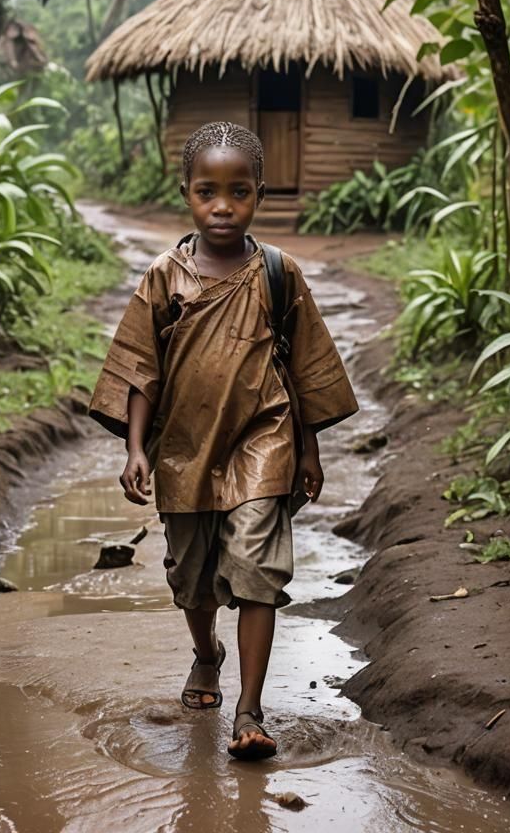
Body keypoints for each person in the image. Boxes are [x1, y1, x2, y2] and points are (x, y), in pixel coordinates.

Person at [87, 120, 358, 762]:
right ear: (186, 192)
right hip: (183, 446)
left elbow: (306, 367)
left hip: (263, 440)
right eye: (208, 191)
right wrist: (134, 448)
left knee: (258, 572)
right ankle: (206, 652)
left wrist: (310, 449)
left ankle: (250, 709)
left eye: (238, 192)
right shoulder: (164, 276)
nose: (222, 206)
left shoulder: (277, 273)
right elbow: (138, 370)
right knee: (194, 578)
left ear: (258, 195)